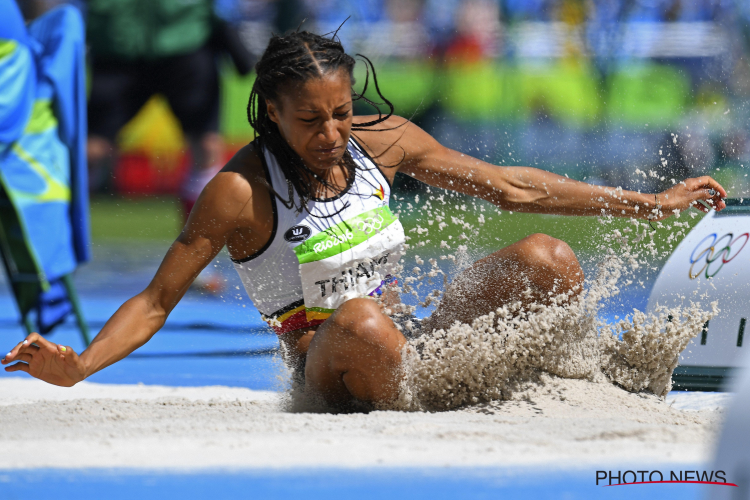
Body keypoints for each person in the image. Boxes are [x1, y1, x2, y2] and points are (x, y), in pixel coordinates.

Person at [2, 30, 727, 409]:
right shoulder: (237, 192)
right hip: (332, 367)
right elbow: (157, 301)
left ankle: (578, 380)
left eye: (342, 113)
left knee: (547, 257)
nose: (331, 133)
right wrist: (82, 365)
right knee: (359, 322)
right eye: (309, 119)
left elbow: (513, 187)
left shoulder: (381, 139)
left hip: (406, 349)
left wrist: (652, 205)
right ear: (271, 113)